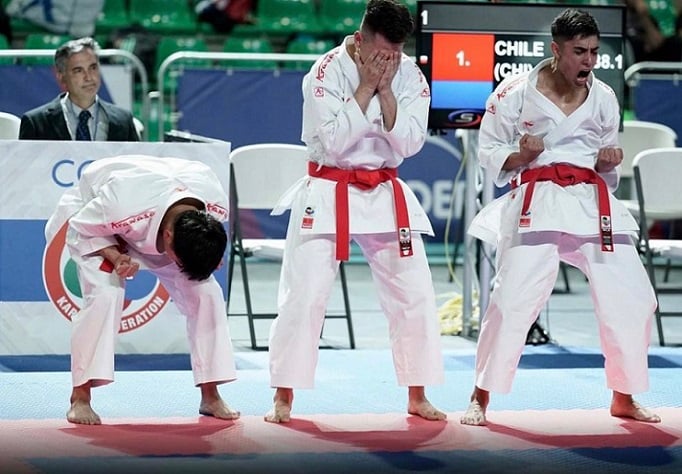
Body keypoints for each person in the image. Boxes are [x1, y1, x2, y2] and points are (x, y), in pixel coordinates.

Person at [460, 8, 661, 427]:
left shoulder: (605, 96)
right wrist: (522, 155)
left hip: (590, 203)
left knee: (634, 296)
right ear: (555, 50)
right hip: (538, 198)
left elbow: (609, 168)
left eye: (593, 51)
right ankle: (480, 395)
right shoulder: (513, 93)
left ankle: (623, 396)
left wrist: (610, 161)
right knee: (512, 299)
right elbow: (490, 154)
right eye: (579, 52)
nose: (589, 61)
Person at [264, 0, 446, 424]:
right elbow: (332, 144)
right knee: (304, 295)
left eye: (396, 53)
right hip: (329, 187)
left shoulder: (410, 75)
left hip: (384, 190)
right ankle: (283, 396)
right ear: (361, 40)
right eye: (382, 52)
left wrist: (384, 90)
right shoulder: (324, 72)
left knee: (414, 293)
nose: (389, 62)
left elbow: (411, 143)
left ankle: (417, 394)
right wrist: (366, 88)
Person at [45, 155, 239, 425]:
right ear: (169, 237)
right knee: (106, 294)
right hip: (100, 226)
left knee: (207, 294)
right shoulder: (122, 200)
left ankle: (211, 394)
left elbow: (209, 241)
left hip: (159, 218)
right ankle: (80, 397)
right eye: (178, 259)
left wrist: (208, 259)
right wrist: (115, 256)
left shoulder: (213, 203)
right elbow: (81, 228)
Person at [19, 36, 139, 141]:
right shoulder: (36, 123)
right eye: (78, 71)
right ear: (61, 77)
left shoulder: (124, 121)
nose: (88, 77)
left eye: (93, 68)